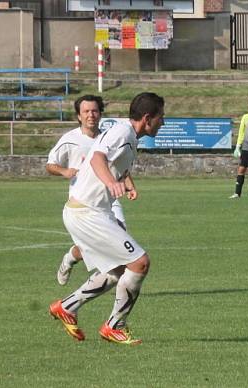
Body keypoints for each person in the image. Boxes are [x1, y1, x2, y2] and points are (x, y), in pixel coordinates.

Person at [49, 92, 165, 345]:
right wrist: (111, 182)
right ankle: (115, 326)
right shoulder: (122, 133)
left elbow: (114, 163)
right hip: (87, 212)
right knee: (140, 263)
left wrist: (126, 183)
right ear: (147, 118)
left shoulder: (128, 136)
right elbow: (98, 158)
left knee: (117, 270)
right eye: (160, 117)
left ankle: (67, 307)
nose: (163, 122)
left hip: (89, 212)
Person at [46, 95, 133, 286]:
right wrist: (64, 171)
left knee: (118, 236)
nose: (91, 115)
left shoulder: (108, 137)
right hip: (83, 201)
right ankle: (71, 258)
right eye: (86, 111)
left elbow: (117, 164)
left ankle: (119, 283)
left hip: (110, 197)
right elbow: (50, 165)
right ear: (79, 116)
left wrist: (128, 183)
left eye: (94, 111)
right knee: (92, 247)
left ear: (100, 114)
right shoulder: (70, 139)